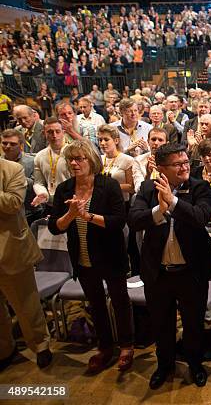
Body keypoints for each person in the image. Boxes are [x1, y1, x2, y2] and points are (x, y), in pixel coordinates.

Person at [128, 143, 211, 389]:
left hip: (191, 272)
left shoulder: (200, 187)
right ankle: (164, 365)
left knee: (193, 323)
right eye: (177, 164)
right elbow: (135, 220)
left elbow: (201, 217)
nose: (185, 167)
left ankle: (195, 364)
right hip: (158, 272)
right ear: (161, 169)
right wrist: (160, 208)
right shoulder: (148, 188)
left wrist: (174, 202)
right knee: (161, 324)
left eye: (186, 162)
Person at [48, 140, 134, 373]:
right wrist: (71, 214)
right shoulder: (65, 189)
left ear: (91, 160)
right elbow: (55, 227)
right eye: (71, 159)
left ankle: (126, 345)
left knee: (120, 301)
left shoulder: (108, 185)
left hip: (110, 255)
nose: (74, 163)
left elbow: (118, 222)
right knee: (95, 304)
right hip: (83, 257)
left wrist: (87, 215)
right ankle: (105, 347)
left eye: (80, 158)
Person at [0, 158, 52, 372]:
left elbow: (13, 203)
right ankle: (5, 349)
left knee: (26, 303)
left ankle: (41, 345)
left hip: (11, 249)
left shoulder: (12, 169)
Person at [32, 117, 71, 215]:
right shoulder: (40, 156)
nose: (54, 135)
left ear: (63, 132)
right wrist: (42, 194)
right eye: (50, 132)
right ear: (43, 134)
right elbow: (38, 182)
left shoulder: (73, 152)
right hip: (51, 205)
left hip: (71, 203)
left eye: (57, 131)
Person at [97, 124, 144, 203]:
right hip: (101, 200)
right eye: (100, 140)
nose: (102, 143)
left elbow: (131, 187)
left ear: (116, 141)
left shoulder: (127, 160)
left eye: (106, 139)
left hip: (120, 202)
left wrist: (110, 186)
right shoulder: (99, 159)